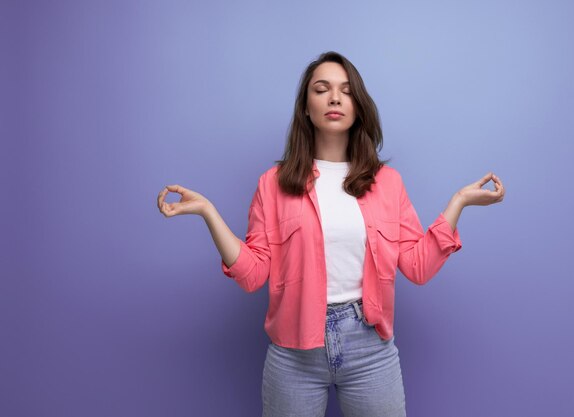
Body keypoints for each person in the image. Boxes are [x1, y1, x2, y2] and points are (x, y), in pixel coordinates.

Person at [156, 51, 505, 417]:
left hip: (370, 348)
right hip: (293, 353)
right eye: (322, 89)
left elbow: (417, 267)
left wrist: (459, 202)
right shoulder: (273, 185)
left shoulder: (387, 184)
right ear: (306, 107)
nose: (335, 98)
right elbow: (253, 274)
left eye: (346, 91)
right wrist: (208, 212)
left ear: (358, 106)